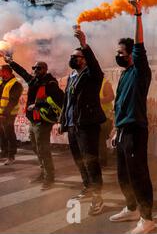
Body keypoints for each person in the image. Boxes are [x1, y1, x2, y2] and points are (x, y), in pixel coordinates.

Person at [108, 0, 155, 234]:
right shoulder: (125, 75)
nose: (117, 55)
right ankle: (131, 207)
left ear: (130, 55)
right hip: (123, 130)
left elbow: (139, 45)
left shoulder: (139, 71)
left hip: (136, 130)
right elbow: (120, 106)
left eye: (120, 52)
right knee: (122, 173)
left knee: (138, 174)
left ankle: (147, 219)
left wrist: (138, 14)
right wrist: (116, 129)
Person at [57, 28, 106, 216]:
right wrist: (63, 121)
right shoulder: (72, 76)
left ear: (84, 59)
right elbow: (67, 102)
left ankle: (98, 197)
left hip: (87, 125)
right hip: (72, 126)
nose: (73, 59)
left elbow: (95, 65)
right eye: (72, 56)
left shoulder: (92, 75)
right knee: (79, 159)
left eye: (77, 56)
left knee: (90, 160)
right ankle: (87, 187)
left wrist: (84, 44)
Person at [2, 55, 64, 190]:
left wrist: (37, 105)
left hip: (43, 121)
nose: (35, 70)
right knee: (37, 148)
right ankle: (44, 172)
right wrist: (11, 62)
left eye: (39, 68)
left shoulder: (50, 83)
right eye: (34, 67)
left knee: (43, 149)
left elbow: (60, 99)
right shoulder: (33, 81)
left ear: (45, 70)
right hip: (33, 120)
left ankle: (49, 177)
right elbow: (23, 72)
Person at [0, 65, 23, 166]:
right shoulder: (2, 82)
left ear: (6, 72)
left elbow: (13, 101)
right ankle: (4, 151)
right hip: (1, 113)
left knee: (9, 134)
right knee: (1, 134)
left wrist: (4, 113)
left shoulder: (16, 84)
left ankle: (11, 156)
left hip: (8, 114)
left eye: (1, 71)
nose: (0, 73)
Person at [99, 78, 115, 168]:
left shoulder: (104, 83)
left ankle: (102, 162)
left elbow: (111, 96)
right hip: (93, 117)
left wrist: (98, 101)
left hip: (104, 118)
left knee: (100, 140)